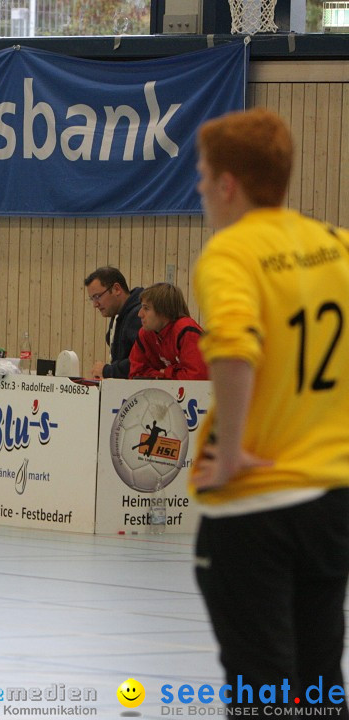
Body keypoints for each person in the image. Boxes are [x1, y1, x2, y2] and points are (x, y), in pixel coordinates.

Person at [191, 107, 349, 714]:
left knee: (261, 688)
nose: (200, 186)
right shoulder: (333, 244)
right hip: (329, 501)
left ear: (228, 182)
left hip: (257, 505)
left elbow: (232, 346)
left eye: (203, 174)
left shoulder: (231, 253)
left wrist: (229, 455)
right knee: (319, 682)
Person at [127, 282, 208, 381]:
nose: (139, 314)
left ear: (164, 311)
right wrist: (166, 374)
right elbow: (135, 375)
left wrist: (165, 372)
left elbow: (197, 378)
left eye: (146, 308)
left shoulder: (186, 331)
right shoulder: (145, 334)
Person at [84, 267, 143, 379]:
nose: (95, 304)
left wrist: (107, 371)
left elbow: (141, 362)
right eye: (92, 299)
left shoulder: (138, 316)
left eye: (97, 296)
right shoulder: (117, 315)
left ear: (116, 289)